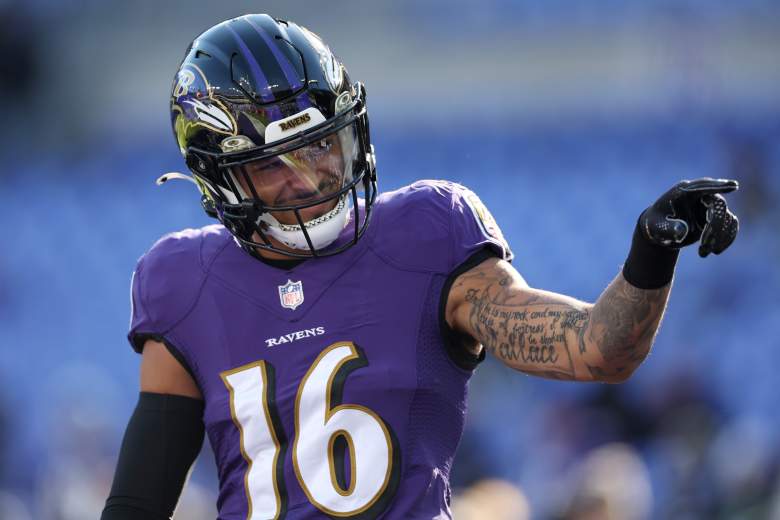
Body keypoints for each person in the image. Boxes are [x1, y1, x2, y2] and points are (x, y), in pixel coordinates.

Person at [100, 14, 739, 520]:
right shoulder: (184, 281)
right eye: (275, 164)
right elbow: (136, 506)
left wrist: (650, 254)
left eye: (323, 144)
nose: (313, 175)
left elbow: (600, 349)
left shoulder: (427, 232)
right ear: (220, 174)